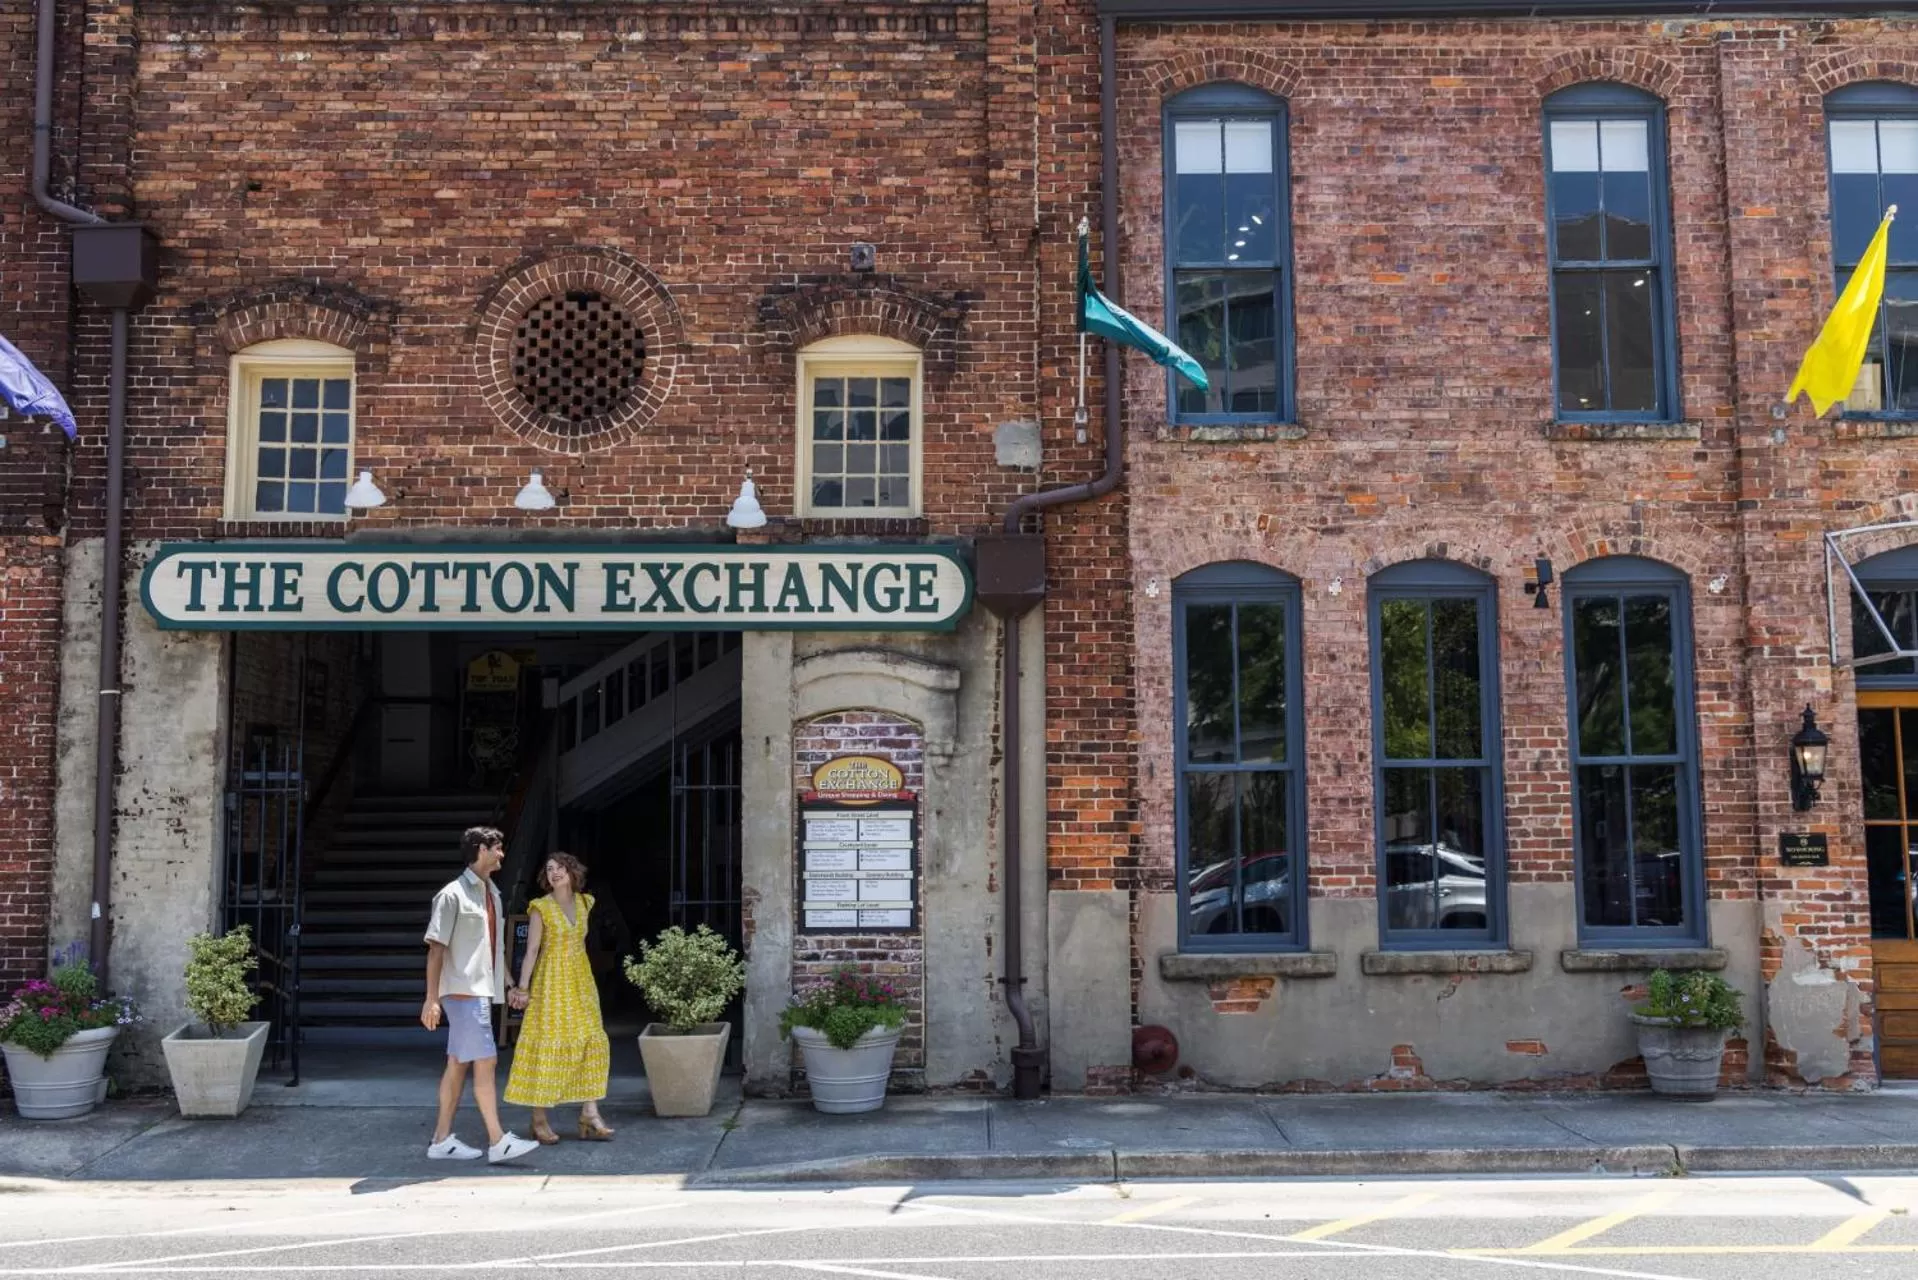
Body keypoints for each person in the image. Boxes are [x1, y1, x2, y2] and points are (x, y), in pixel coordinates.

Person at [421, 826, 539, 1164]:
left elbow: (492, 948)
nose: (502, 854)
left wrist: (511, 984)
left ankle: (441, 1140)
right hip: (463, 993)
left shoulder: (492, 893)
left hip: (479, 991)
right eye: (497, 848)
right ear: (480, 849)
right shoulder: (452, 895)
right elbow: (435, 950)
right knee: (486, 1062)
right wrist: (431, 998)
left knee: (458, 1065)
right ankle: (497, 1140)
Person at [504, 852, 615, 1142]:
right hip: (551, 981)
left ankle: (590, 1113)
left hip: (580, 980)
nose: (554, 873)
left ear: (572, 871)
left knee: (592, 1039)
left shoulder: (585, 902)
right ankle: (538, 1119)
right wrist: (523, 988)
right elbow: (531, 951)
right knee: (548, 1043)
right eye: (549, 869)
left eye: (560, 868)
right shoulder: (541, 907)